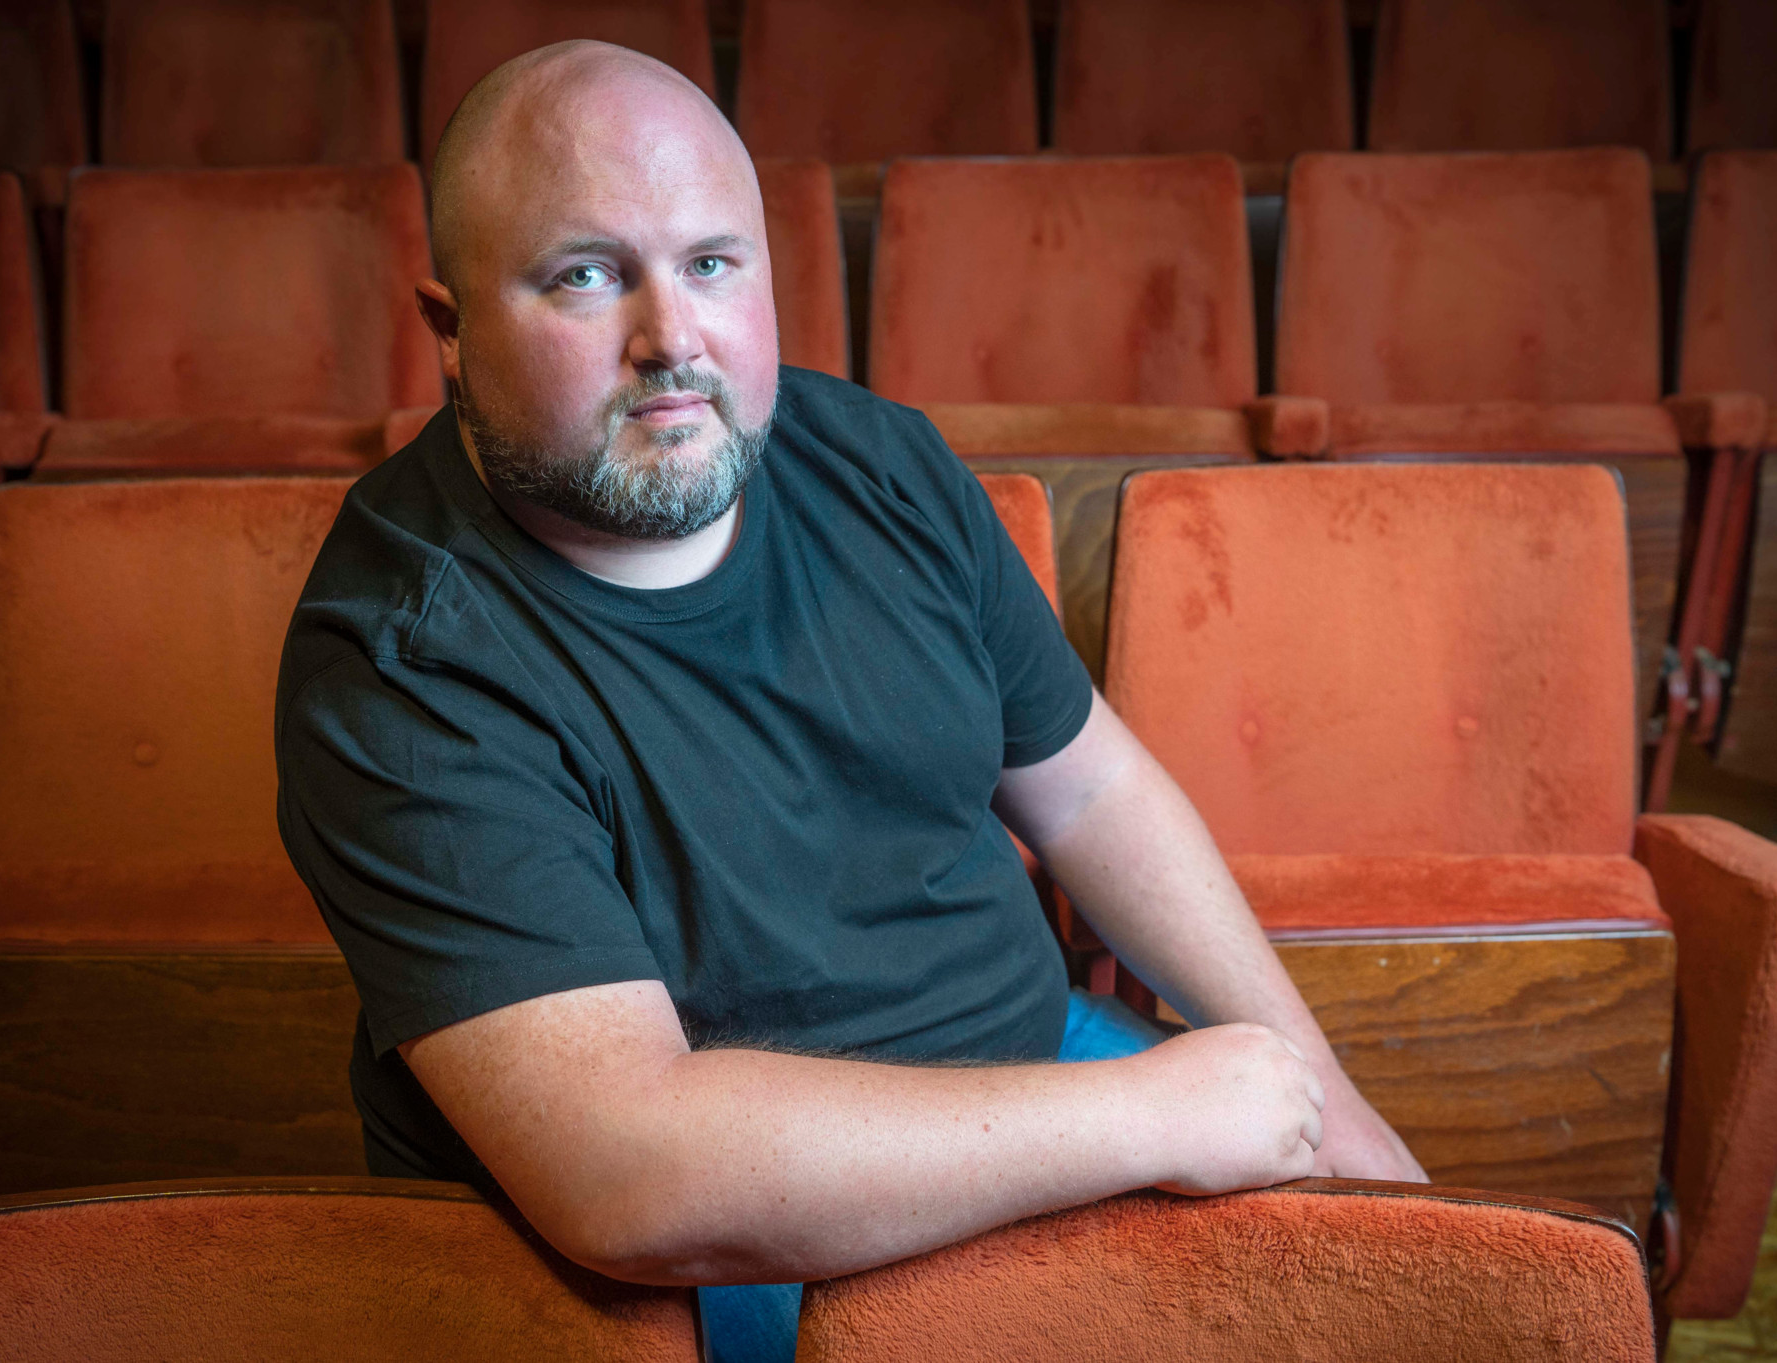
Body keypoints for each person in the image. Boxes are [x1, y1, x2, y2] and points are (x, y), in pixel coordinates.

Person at [275, 40, 1425, 1363]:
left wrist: (1314, 1091)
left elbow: (1092, 789)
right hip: (708, 1240)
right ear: (451, 331)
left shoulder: (874, 457)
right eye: (586, 276)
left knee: (1410, 1296)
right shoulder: (400, 654)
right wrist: (1160, 1117)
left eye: (712, 263)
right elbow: (628, 1175)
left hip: (1032, 1061)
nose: (672, 340)